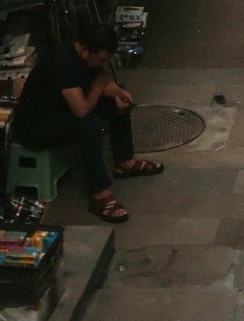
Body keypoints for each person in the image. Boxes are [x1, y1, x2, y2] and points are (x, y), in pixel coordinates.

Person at [10, 21, 162, 225]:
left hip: (61, 110)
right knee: (89, 125)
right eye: (99, 60)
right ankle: (100, 194)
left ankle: (125, 162)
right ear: (84, 51)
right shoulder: (64, 63)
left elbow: (100, 81)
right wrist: (100, 86)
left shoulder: (89, 59)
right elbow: (81, 110)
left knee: (117, 105)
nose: (101, 65)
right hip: (36, 126)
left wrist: (117, 92)